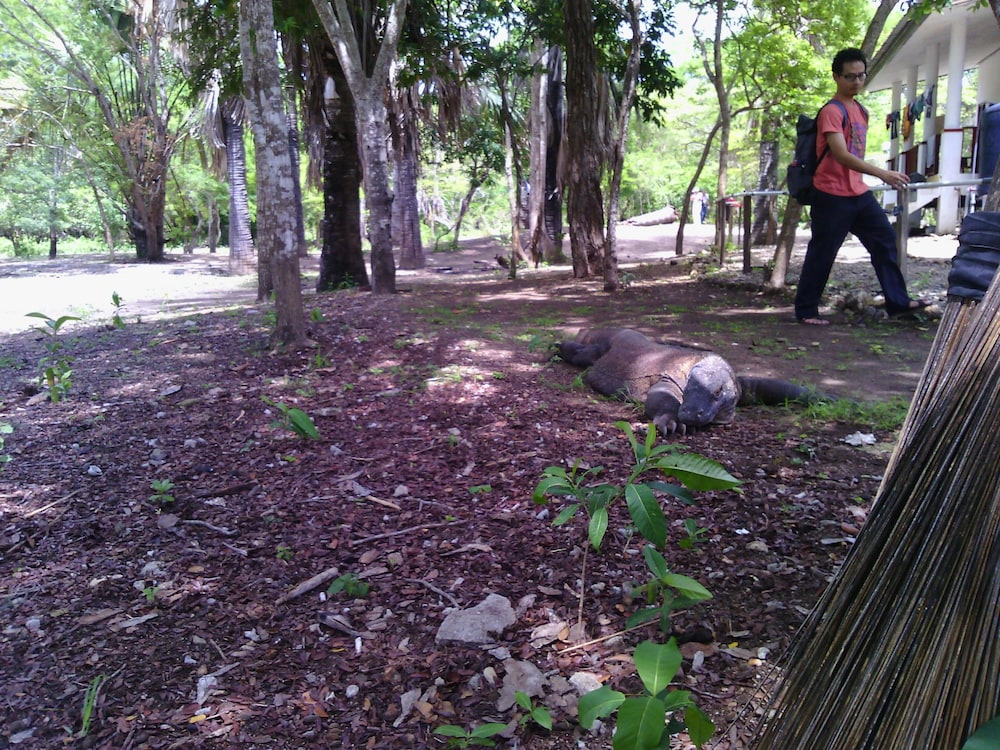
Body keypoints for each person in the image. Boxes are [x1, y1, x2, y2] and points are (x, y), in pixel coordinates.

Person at [795, 47, 929, 326]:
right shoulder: (832, 111)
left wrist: (872, 177)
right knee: (822, 253)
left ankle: (898, 303)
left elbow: (855, 155)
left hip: (858, 193)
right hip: (830, 194)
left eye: (861, 75)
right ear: (836, 77)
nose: (856, 81)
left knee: (884, 241)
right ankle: (806, 311)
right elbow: (842, 154)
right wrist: (883, 174)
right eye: (850, 77)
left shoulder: (861, 111)